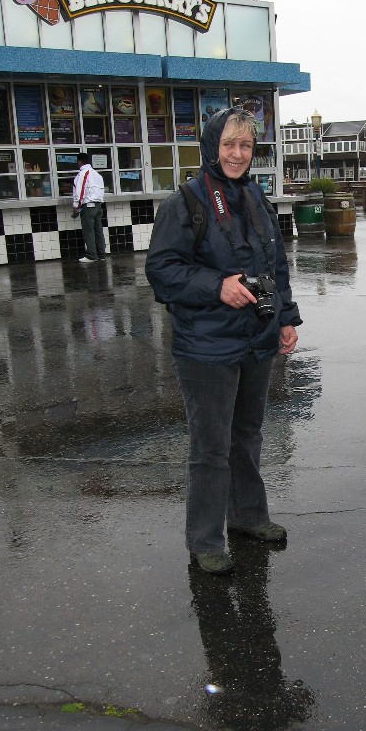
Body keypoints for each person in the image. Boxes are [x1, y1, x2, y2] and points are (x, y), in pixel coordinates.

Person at [145, 107, 301, 575]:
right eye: (229, 144)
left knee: (248, 434)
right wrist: (217, 286)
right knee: (210, 445)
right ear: (213, 146)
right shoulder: (186, 203)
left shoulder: (255, 196)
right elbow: (162, 271)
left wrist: (288, 319)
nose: (237, 154)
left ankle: (248, 517)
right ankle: (205, 540)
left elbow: (276, 267)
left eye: (246, 146)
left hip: (256, 338)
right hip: (206, 346)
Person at [72, 153, 106, 262]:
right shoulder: (97, 174)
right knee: (98, 230)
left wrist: (76, 205)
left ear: (79, 162)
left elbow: (80, 190)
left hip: (88, 205)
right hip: (98, 205)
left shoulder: (83, 174)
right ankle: (101, 254)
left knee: (88, 230)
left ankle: (91, 255)